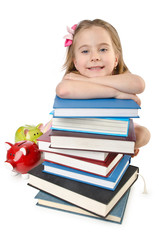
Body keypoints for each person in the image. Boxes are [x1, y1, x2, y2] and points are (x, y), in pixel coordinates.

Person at [56, 19, 150, 156]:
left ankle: (114, 149)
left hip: (114, 127)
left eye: (103, 49)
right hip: (79, 129)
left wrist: (87, 80)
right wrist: (117, 93)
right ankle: (108, 150)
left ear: (116, 59)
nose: (95, 57)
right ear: (75, 62)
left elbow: (139, 84)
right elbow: (63, 90)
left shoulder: (119, 77)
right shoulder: (72, 78)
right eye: (85, 51)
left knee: (144, 134)